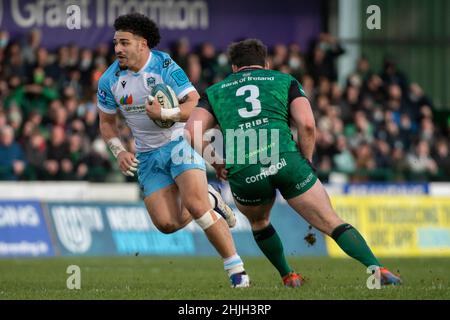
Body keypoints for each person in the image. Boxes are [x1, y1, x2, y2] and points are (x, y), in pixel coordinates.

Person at [185, 39, 402, 287]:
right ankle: (378, 270)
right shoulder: (284, 81)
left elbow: (192, 131)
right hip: (286, 160)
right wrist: (306, 160)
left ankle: (288, 275)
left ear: (234, 67)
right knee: (331, 221)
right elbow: (307, 124)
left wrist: (218, 162)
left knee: (259, 222)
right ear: (265, 64)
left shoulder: (216, 91)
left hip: (245, 171)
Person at [97, 13, 249, 287]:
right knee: (166, 224)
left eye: (124, 42)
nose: (117, 49)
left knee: (197, 207)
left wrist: (166, 113)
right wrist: (119, 150)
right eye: (115, 43)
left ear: (142, 44)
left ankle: (236, 271)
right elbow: (107, 123)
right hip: (147, 156)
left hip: (179, 143)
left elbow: (194, 103)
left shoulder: (164, 64)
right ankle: (211, 197)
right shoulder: (109, 80)